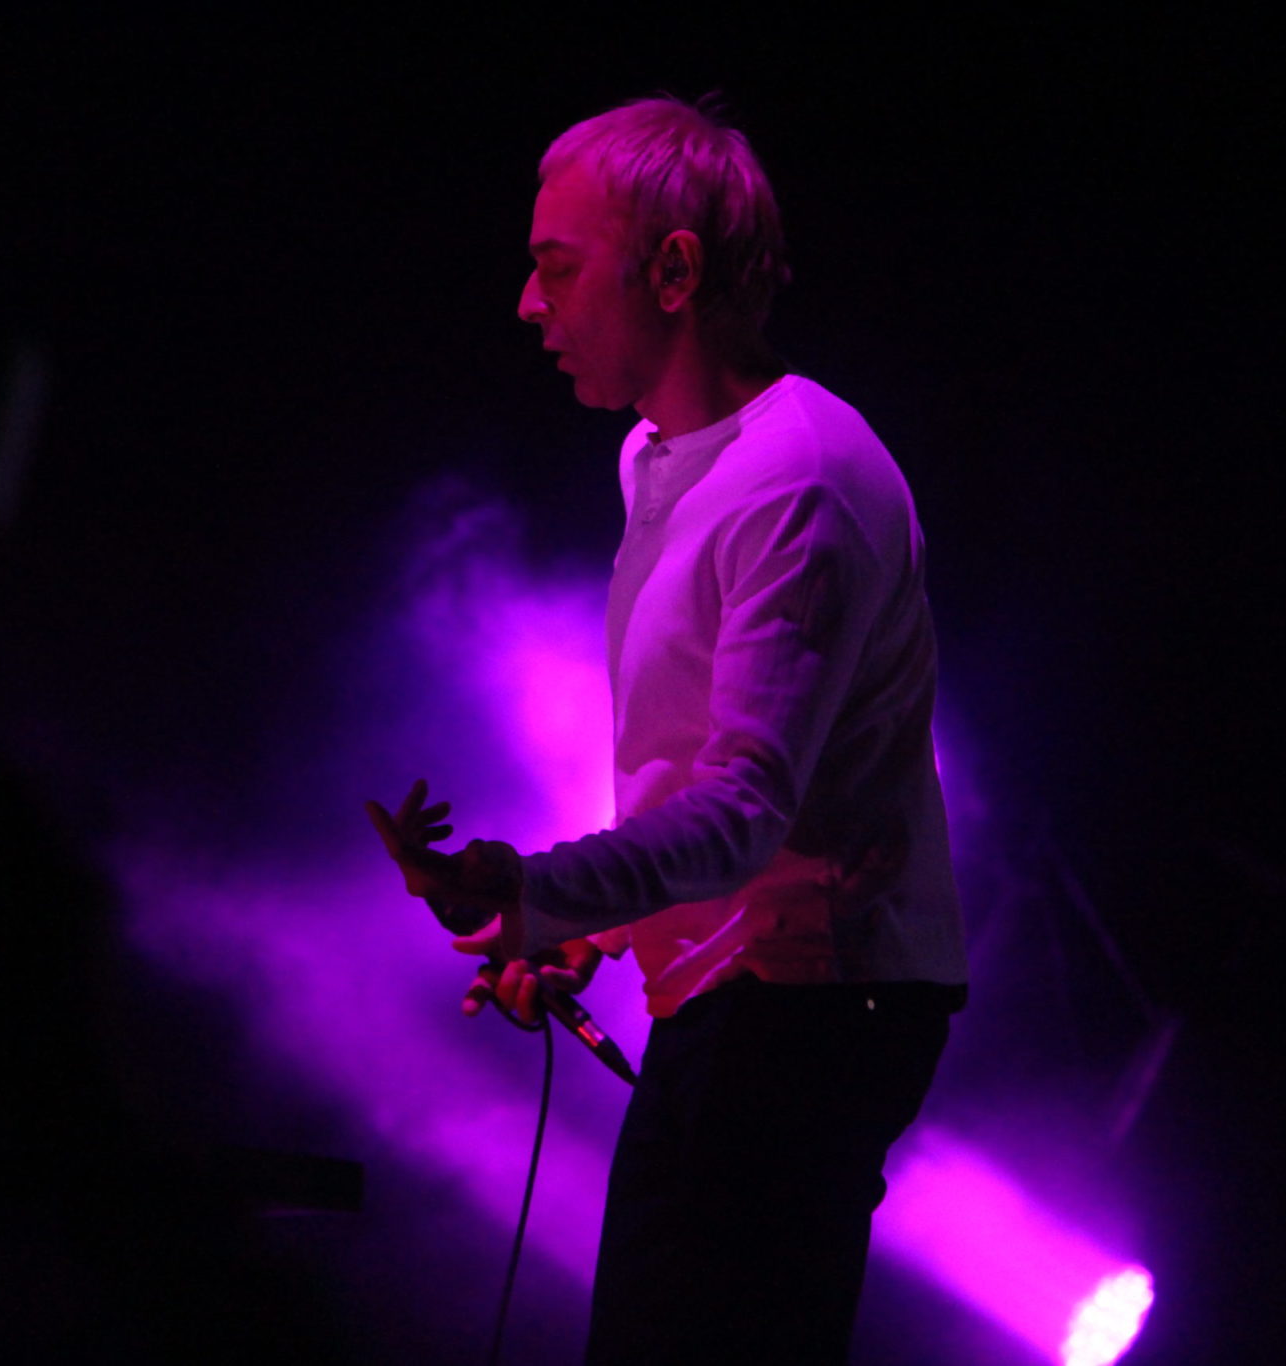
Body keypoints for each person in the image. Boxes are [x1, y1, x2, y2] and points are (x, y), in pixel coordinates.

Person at [369, 95, 969, 1365]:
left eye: (556, 268)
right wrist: (590, 928)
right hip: (754, 1004)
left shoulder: (795, 477)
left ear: (674, 271)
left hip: (808, 1007)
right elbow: (707, 778)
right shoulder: (657, 457)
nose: (528, 305)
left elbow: (745, 809)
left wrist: (534, 891)